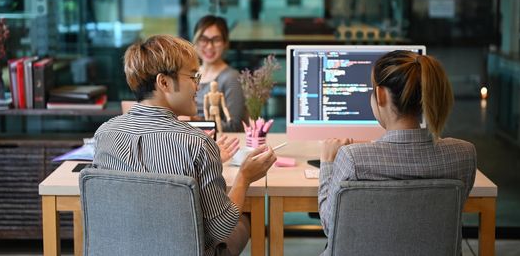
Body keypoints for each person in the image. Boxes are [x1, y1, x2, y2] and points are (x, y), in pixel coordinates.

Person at [93, 35, 277, 256]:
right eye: (193, 76)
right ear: (164, 82)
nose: (198, 86)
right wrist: (244, 178)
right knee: (245, 219)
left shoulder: (104, 134)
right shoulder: (197, 143)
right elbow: (220, 229)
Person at [318, 50, 477, 252]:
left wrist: (327, 165)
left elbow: (329, 225)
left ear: (380, 95)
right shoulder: (464, 154)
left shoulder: (352, 158)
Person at [193, 15, 246, 132]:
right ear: (196, 41)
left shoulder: (231, 77)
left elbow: (234, 126)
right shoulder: (189, 74)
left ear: (225, 43)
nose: (209, 46)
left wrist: (192, 124)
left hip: (217, 143)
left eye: (216, 40)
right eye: (203, 39)